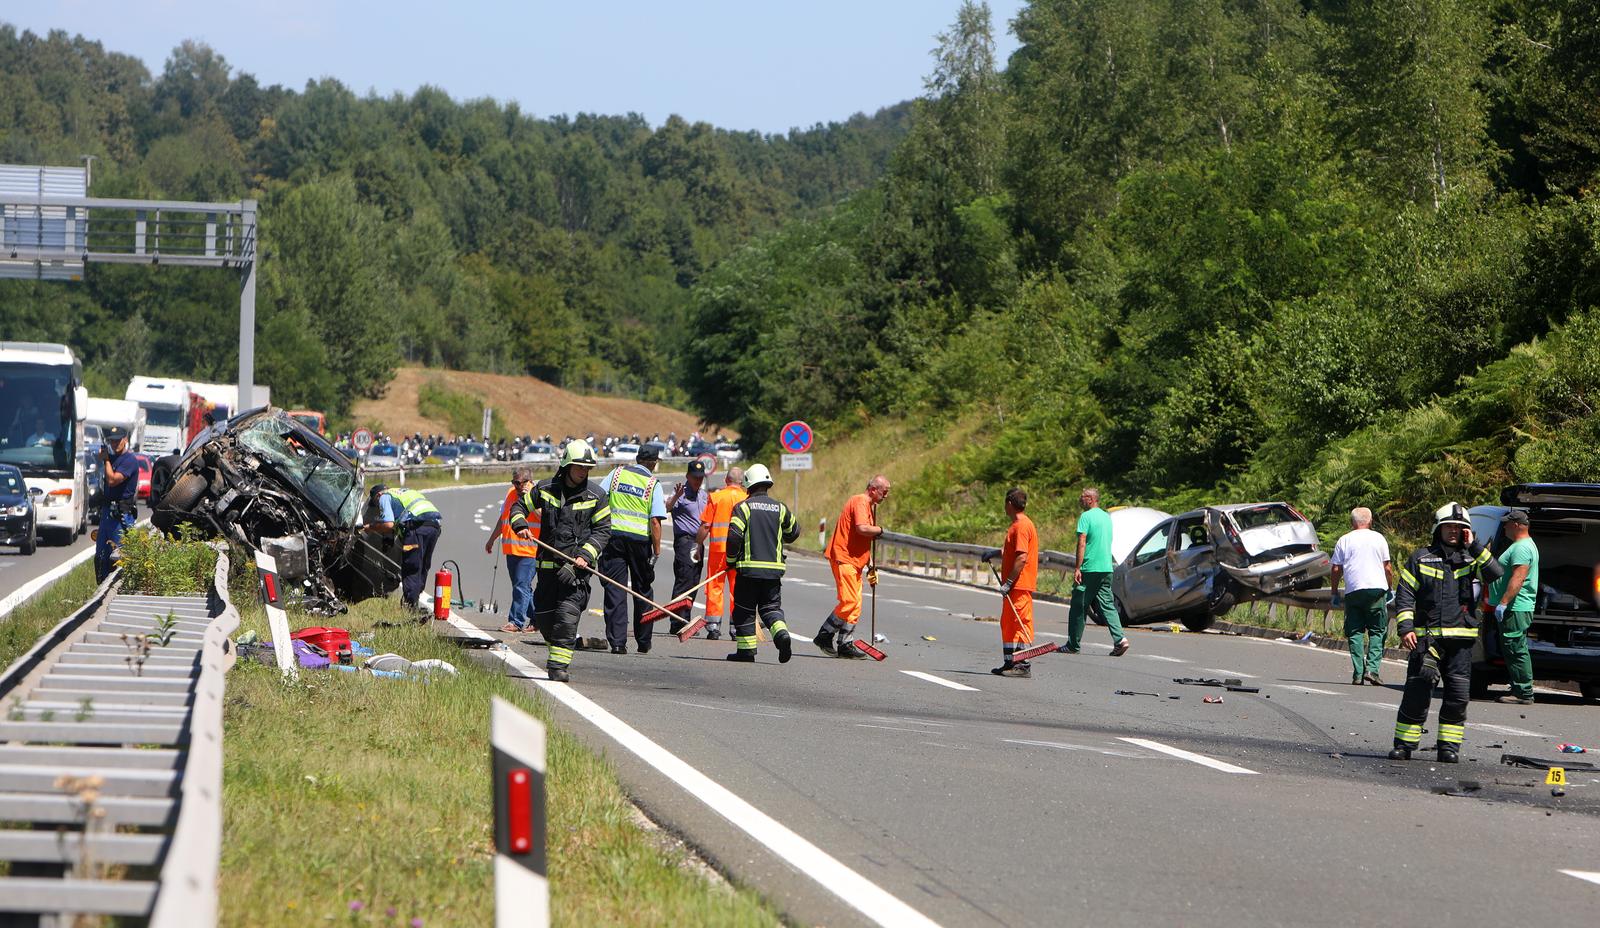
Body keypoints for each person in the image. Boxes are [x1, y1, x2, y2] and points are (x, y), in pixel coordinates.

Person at [1388, 503, 1503, 763]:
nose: (1454, 531)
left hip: (1461, 642)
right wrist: (1405, 628)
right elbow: (1405, 594)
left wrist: (1474, 545)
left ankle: (1448, 747)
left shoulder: (1473, 558)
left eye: (1460, 527)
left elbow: (1496, 573)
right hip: (1426, 639)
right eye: (1449, 527)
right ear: (1438, 529)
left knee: (1457, 696)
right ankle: (1404, 745)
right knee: (1417, 692)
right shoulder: (1420, 558)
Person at [509, 440, 611, 683]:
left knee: (567, 617)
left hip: (576, 571)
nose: (583, 472)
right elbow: (519, 506)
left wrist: (584, 556)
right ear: (566, 466)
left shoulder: (596, 496)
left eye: (587, 468)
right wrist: (520, 523)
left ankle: (557, 667)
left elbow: (603, 530)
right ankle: (556, 648)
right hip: (546, 569)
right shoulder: (545, 489)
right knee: (544, 618)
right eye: (579, 467)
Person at [723, 464, 800, 663]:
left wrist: (731, 561)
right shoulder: (780, 508)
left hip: (748, 571)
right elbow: (794, 532)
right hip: (773, 574)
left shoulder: (743, 508)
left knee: (744, 610)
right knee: (771, 608)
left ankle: (746, 651)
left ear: (748, 484)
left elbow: (733, 538)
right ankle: (781, 635)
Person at [598, 443, 667, 653]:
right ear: (654, 463)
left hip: (614, 538)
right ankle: (644, 642)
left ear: (637, 458)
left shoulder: (616, 474)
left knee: (615, 589)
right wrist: (656, 551)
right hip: (640, 543)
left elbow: (598, 498)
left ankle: (618, 643)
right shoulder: (653, 484)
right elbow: (655, 521)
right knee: (643, 590)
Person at [815, 475, 891, 657]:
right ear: (874, 489)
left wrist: (871, 563)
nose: (886, 496)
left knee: (856, 604)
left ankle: (845, 643)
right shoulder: (860, 501)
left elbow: (862, 538)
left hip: (856, 560)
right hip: (844, 558)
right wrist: (880, 530)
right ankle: (824, 635)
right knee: (848, 601)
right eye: (884, 492)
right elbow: (862, 528)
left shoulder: (868, 506)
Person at [1329, 506, 1395, 686]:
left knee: (1355, 632)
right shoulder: (1379, 538)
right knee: (1378, 630)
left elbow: (1336, 569)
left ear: (1352, 522)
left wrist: (1334, 592)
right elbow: (1387, 567)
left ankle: (1358, 673)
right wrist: (1390, 588)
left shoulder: (1344, 539)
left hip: (1354, 592)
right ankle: (1372, 670)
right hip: (1376, 591)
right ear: (1371, 521)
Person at [1065, 487, 1129, 656]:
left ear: (1091, 499)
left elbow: (1082, 542)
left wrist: (1078, 567)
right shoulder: (1106, 517)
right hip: (1106, 567)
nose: (1080, 500)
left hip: (1090, 567)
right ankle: (1120, 639)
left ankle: (1073, 644)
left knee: (1079, 605)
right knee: (1107, 604)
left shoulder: (1086, 517)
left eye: (1083, 497)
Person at [363, 484, 442, 614]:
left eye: (376, 504)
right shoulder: (404, 492)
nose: (378, 507)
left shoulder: (384, 497)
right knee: (423, 565)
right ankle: (414, 599)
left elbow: (388, 523)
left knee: (411, 566)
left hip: (416, 528)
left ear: (378, 495)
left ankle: (410, 606)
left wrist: (370, 527)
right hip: (434, 526)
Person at [1487, 509, 1539, 705]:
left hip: (1515, 607)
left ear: (1517, 525)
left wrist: (1504, 602)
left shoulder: (1521, 548)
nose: (1505, 526)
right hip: (1515, 606)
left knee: (1515, 647)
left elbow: (1518, 577)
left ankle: (1523, 691)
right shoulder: (1523, 545)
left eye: (1508, 523)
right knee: (1513, 647)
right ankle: (1519, 686)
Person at [989, 488, 1041, 678]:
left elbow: (1021, 557)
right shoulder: (1018, 525)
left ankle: (1022, 664)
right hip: (1015, 586)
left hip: (1019, 584)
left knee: (1019, 624)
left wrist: (1009, 582)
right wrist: (994, 554)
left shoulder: (1021, 527)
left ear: (1009, 504)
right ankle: (1010, 661)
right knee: (1009, 624)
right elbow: (1012, 551)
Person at [696, 467, 747, 640]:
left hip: (718, 552)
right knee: (738, 590)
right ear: (742, 483)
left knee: (715, 586)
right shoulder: (747, 499)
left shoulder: (716, 497)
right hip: (740, 553)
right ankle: (736, 628)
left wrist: (698, 544)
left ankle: (713, 626)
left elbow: (705, 526)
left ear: (726, 480)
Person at [487, 468, 539, 634]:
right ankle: (538, 619)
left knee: (521, 587)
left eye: (520, 483)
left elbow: (543, 517)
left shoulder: (537, 493)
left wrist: (527, 497)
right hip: (511, 549)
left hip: (529, 550)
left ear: (529, 481)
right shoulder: (510, 493)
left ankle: (516, 622)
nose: (517, 486)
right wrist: (492, 538)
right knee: (522, 588)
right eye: (514, 482)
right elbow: (503, 518)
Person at [665, 459, 710, 631]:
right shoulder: (681, 493)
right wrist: (676, 496)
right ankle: (677, 621)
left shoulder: (703, 495)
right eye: (694, 477)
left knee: (694, 581)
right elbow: (667, 508)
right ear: (687, 476)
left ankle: (685, 618)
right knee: (684, 579)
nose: (697, 480)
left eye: (700, 477)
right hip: (685, 541)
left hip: (698, 542)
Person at [94, 426, 140, 582]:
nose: (114, 444)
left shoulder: (129, 461)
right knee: (101, 557)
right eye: (112, 441)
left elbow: (113, 480)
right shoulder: (112, 459)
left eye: (118, 441)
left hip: (121, 516)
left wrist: (106, 460)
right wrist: (103, 458)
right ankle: (100, 590)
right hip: (107, 513)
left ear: (125, 440)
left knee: (119, 558)